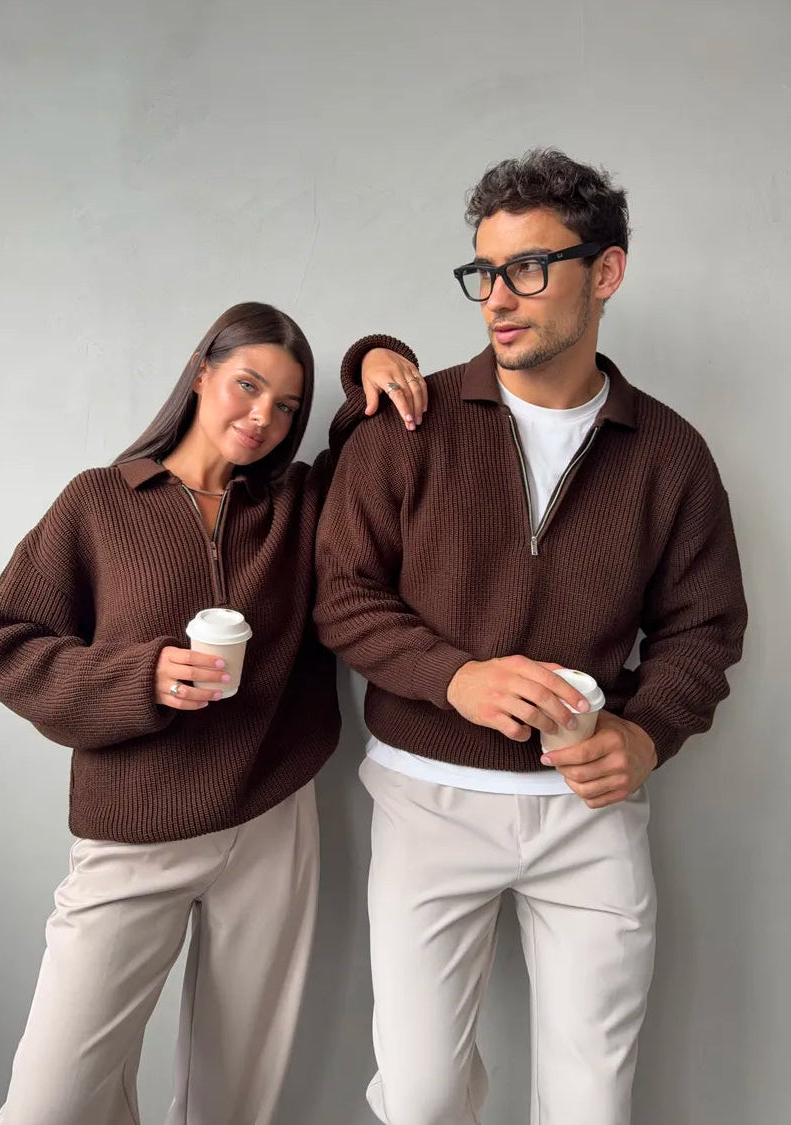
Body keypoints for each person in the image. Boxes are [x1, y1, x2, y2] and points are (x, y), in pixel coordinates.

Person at [314, 150, 747, 1125]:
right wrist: (454, 678)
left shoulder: (670, 454)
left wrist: (646, 736)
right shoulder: (410, 425)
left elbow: (704, 627)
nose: (497, 300)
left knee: (593, 1104)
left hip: (589, 811)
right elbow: (339, 592)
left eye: (528, 269)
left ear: (607, 272)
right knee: (421, 1099)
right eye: (483, 273)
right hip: (428, 798)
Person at [0, 300, 426, 1125]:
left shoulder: (300, 505)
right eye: (248, 385)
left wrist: (373, 358)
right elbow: (5, 639)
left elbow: (369, 440)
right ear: (202, 372)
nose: (263, 417)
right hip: (132, 829)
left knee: (234, 1102)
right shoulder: (102, 502)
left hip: (268, 821)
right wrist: (137, 677)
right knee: (52, 1105)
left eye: (286, 404)